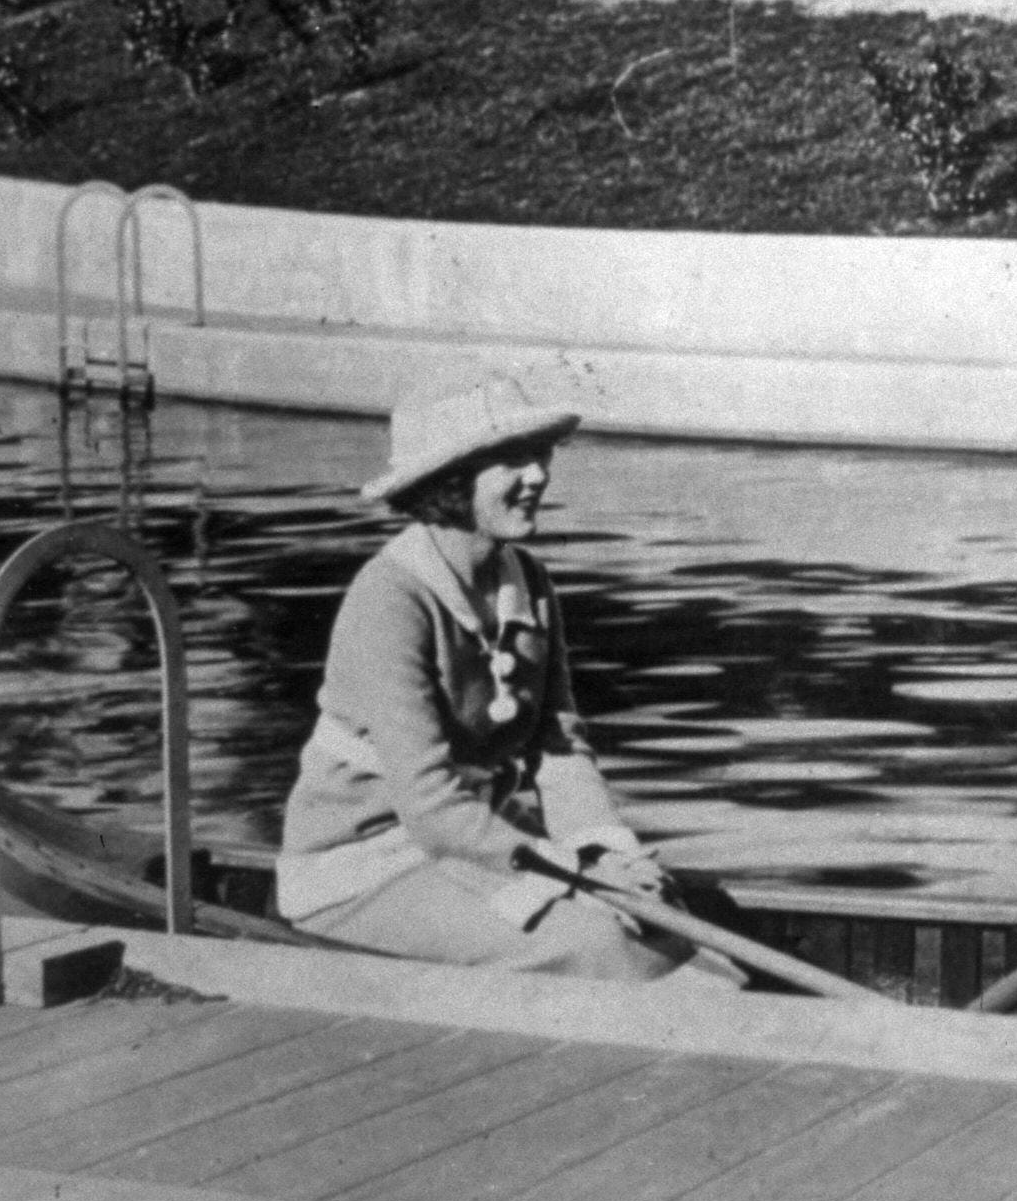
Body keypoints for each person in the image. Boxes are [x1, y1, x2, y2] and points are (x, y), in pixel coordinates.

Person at [275, 376, 703, 980]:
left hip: (473, 848)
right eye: (511, 460)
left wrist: (608, 854)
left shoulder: (527, 579)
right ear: (450, 482)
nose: (538, 476)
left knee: (677, 913)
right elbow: (431, 806)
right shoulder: (389, 599)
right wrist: (576, 874)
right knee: (609, 949)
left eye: (540, 454)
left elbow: (558, 748)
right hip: (366, 867)